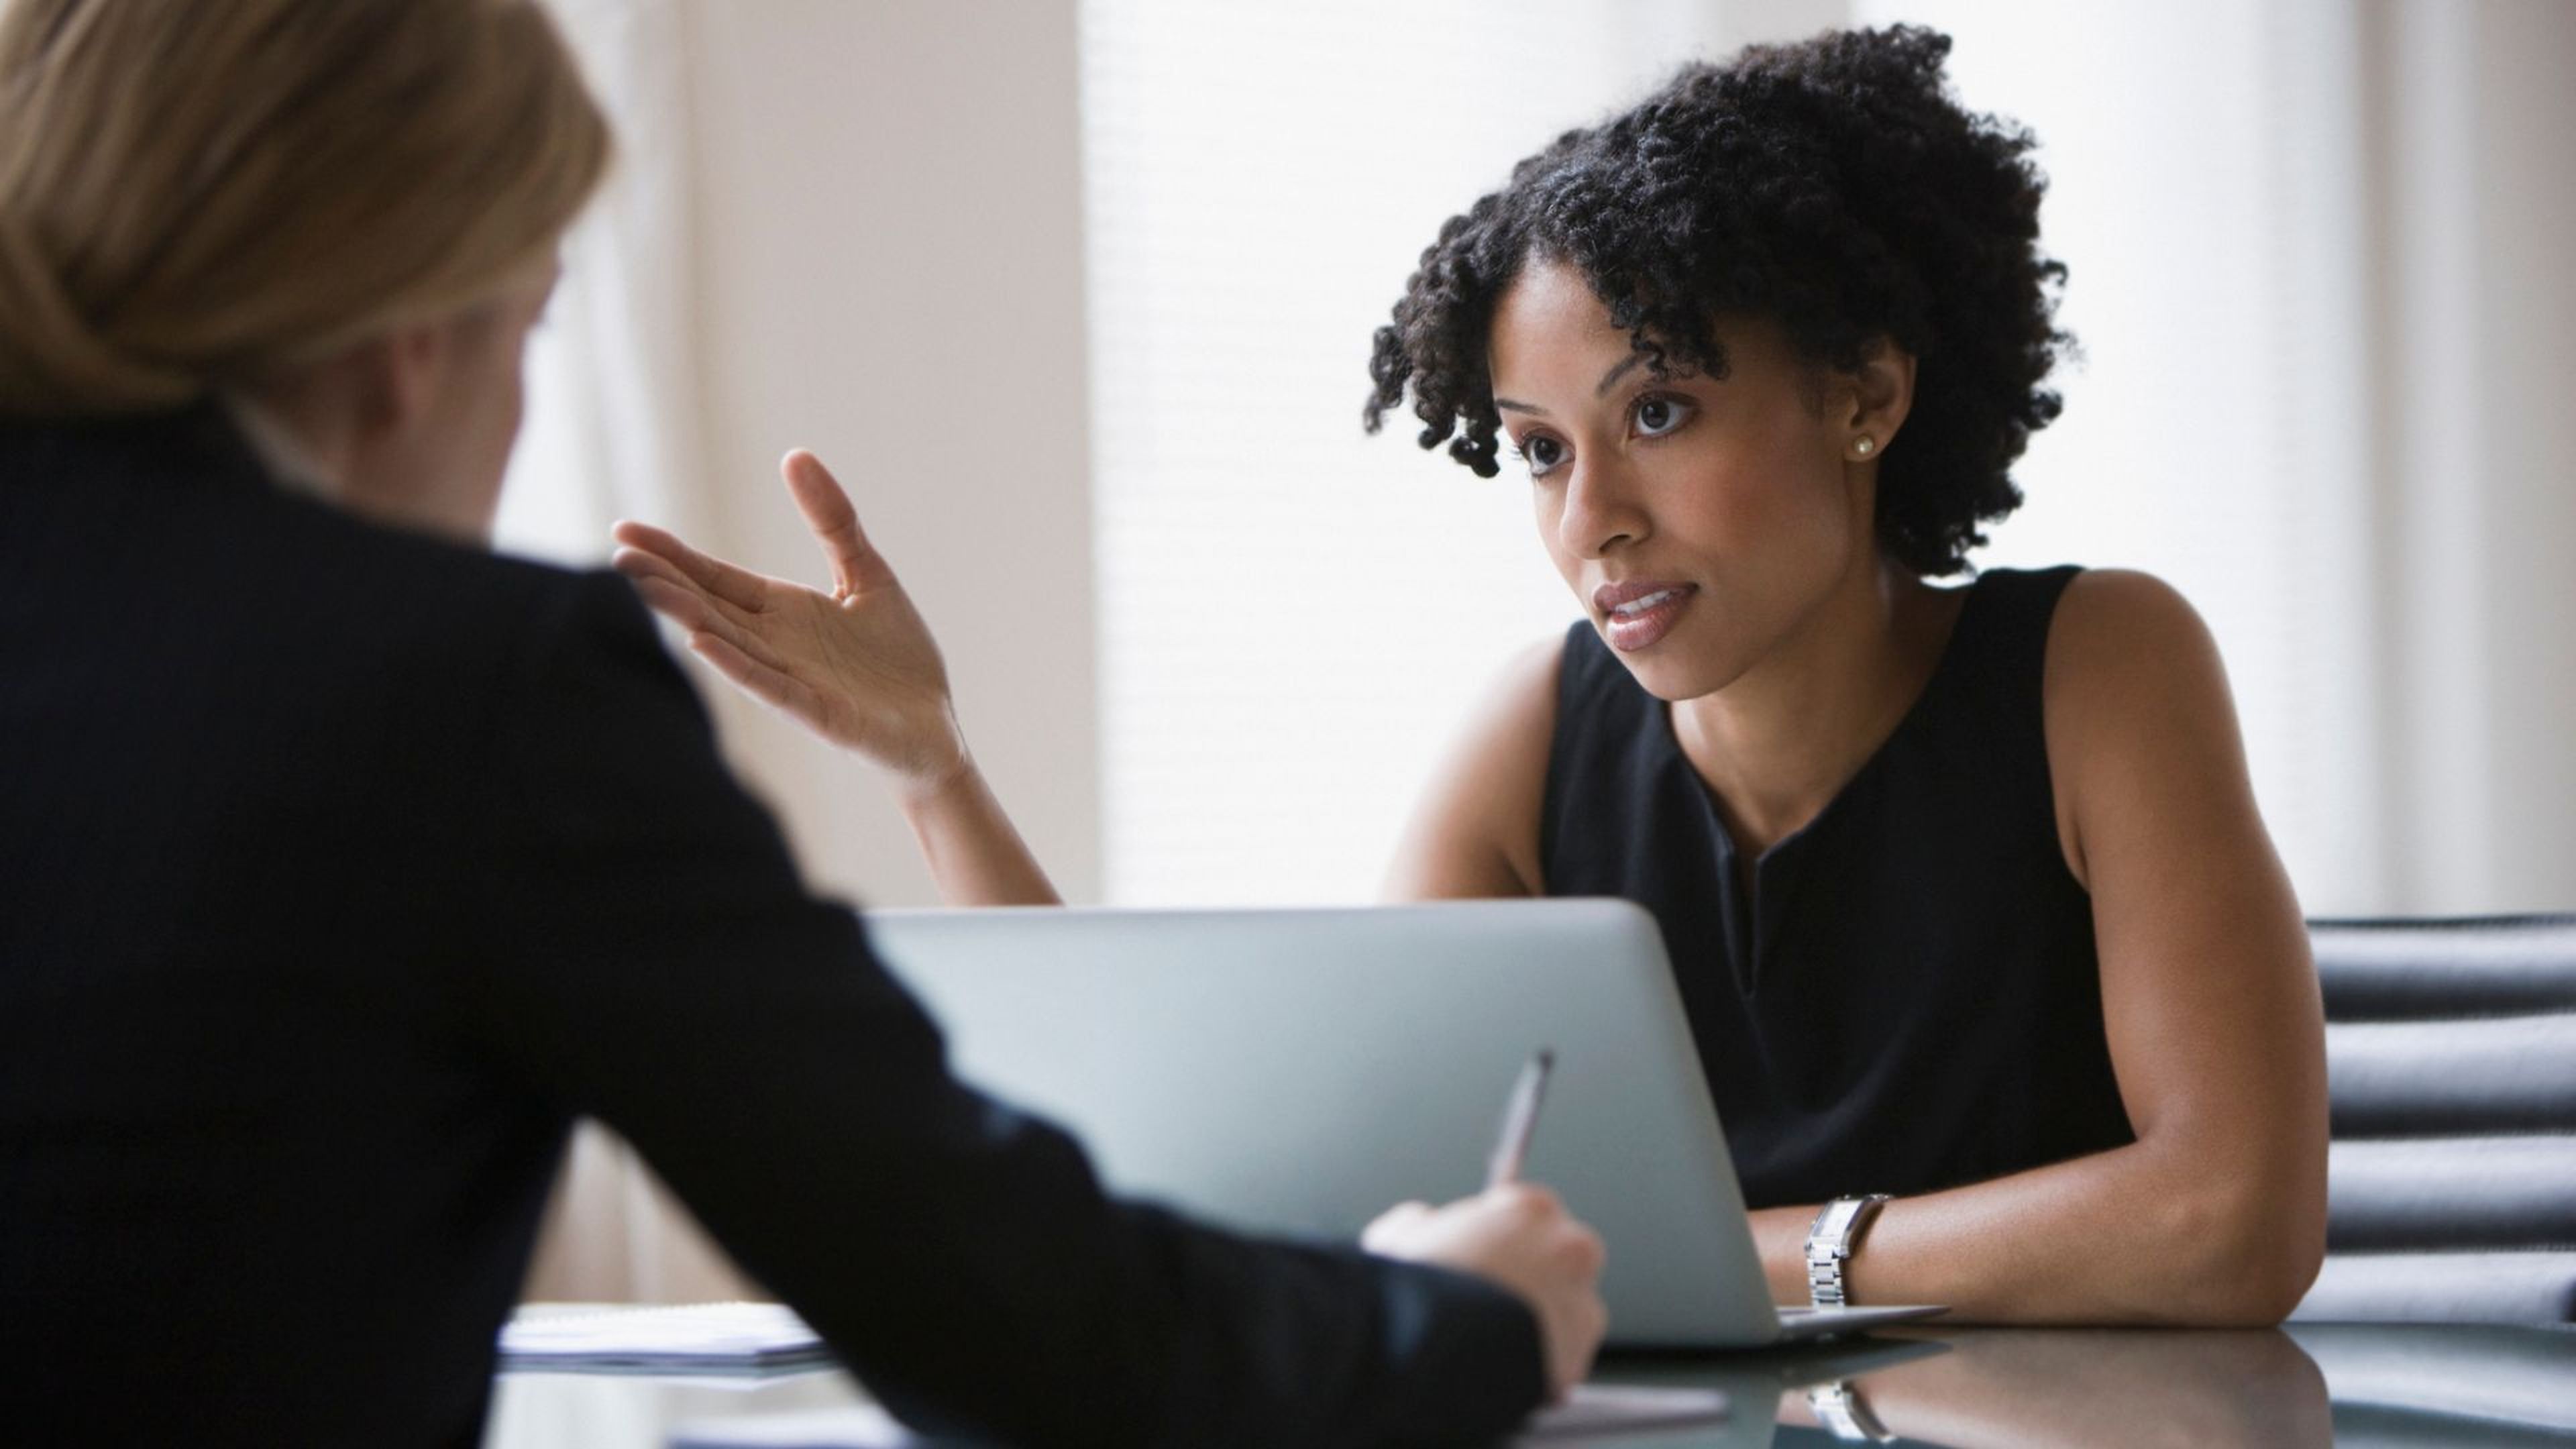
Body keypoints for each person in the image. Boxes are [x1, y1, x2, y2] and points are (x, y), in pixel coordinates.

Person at [0, 2, 1605, 1445]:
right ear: (409, 339)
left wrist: (938, 767)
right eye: (533, 326)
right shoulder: (458, 687)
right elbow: (1026, 1322)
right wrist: (1449, 1313)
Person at [616, 26, 2328, 1325]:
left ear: (1865, 393)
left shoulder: (2100, 665)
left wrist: (1748, 1263)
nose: (1596, 521)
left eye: (1659, 413)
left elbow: (2235, 1216)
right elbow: (1251, 1182)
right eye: (1535, 450)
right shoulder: (1536, 734)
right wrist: (936, 772)